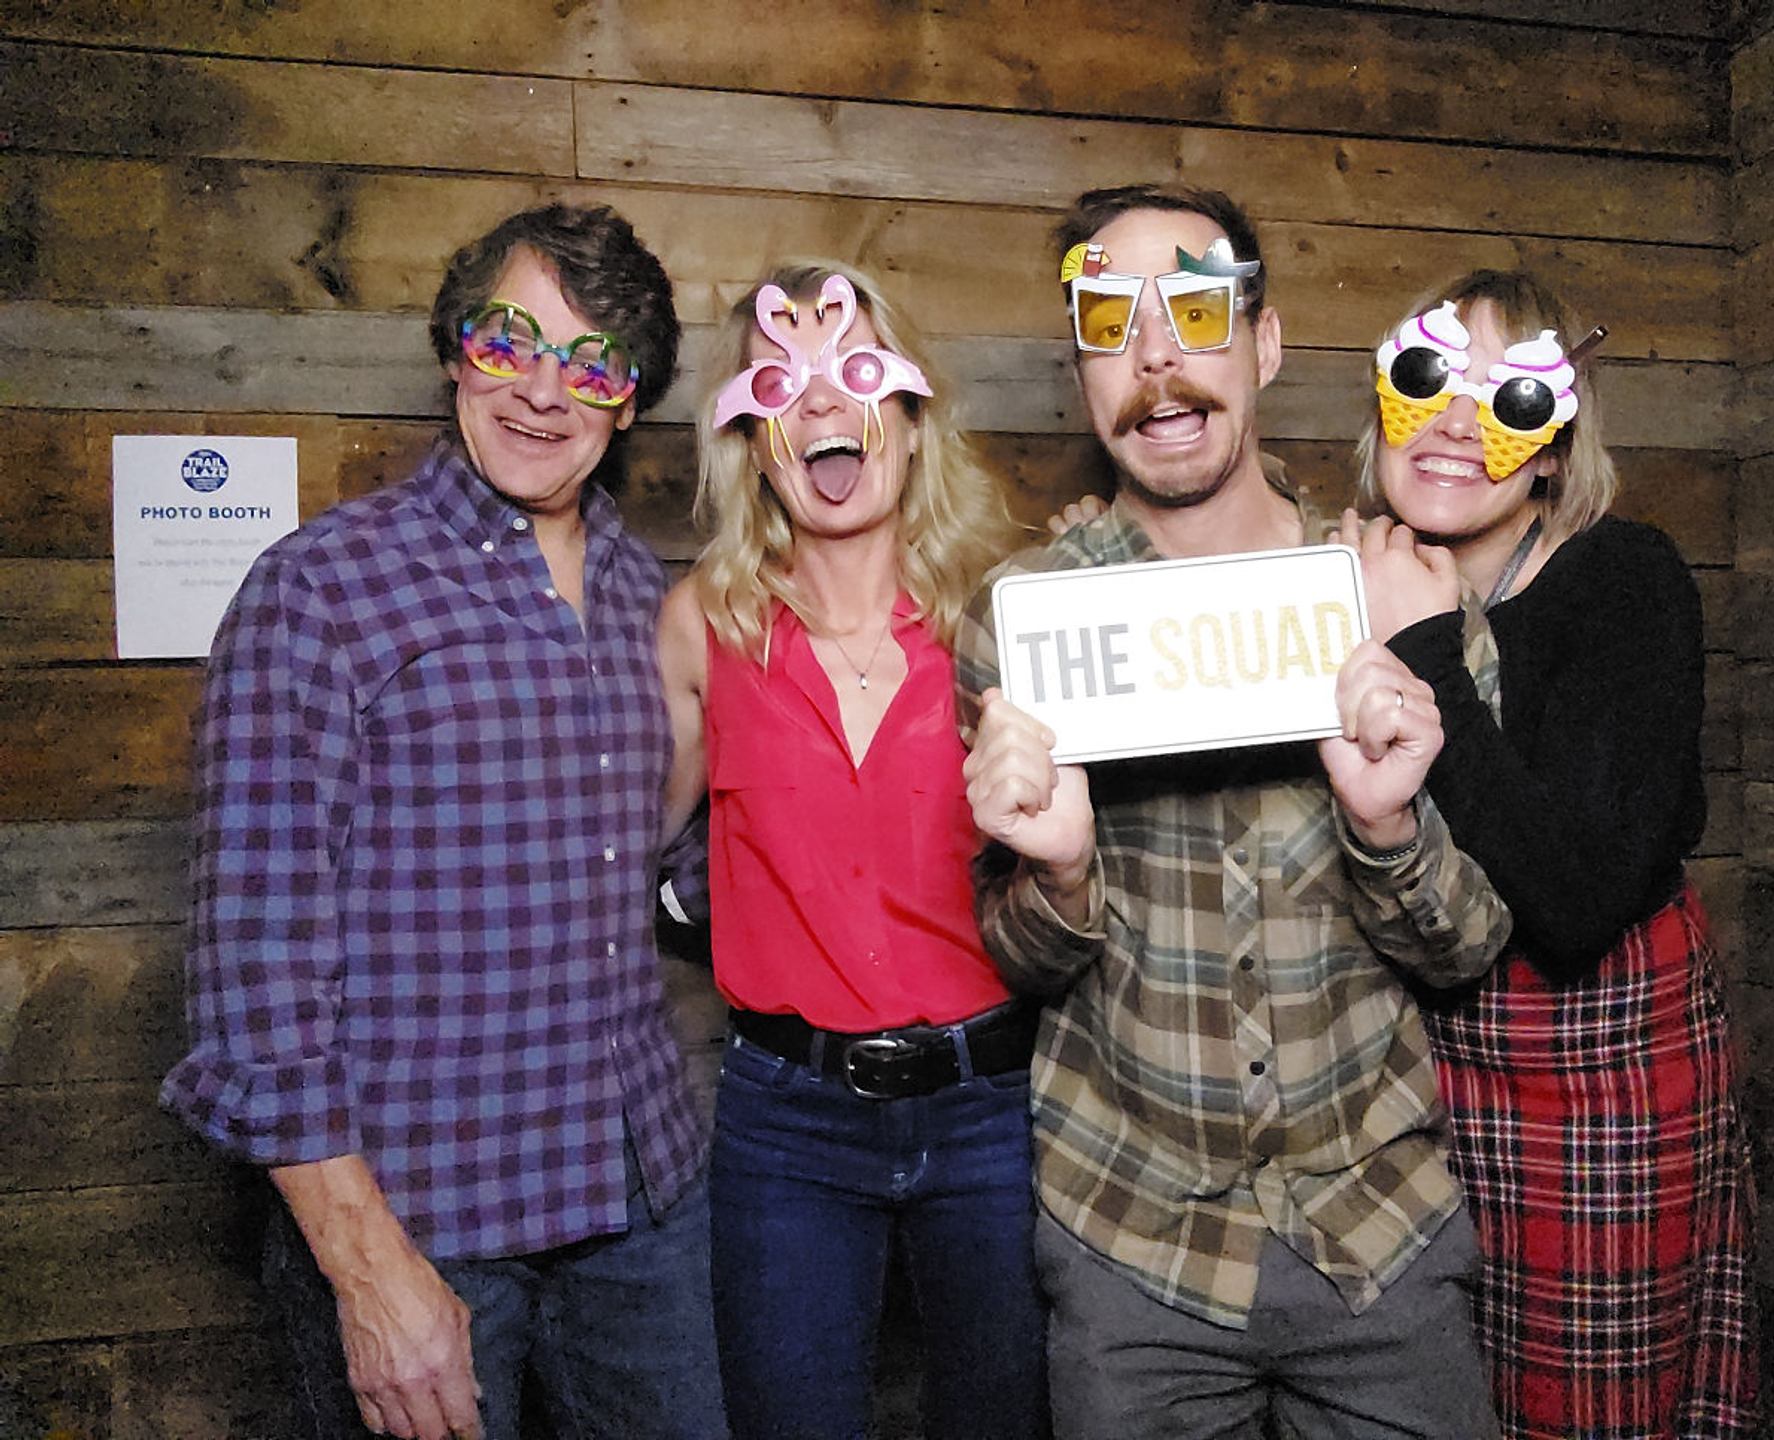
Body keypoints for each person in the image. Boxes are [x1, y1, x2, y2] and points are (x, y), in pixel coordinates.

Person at [160, 203, 726, 1440]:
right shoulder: (322, 589)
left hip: (643, 1207)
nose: (541, 392)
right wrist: (367, 1274)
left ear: (629, 399)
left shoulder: (660, 602)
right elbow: (251, 982)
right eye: (505, 344)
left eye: (590, 363)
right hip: (423, 1224)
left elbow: (685, 871)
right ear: (453, 350)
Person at [956, 181, 1511, 1439]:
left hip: (1379, 1237)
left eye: (1196, 309)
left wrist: (1388, 832)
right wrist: (1054, 874)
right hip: (1130, 1247)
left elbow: (1469, 947)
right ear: (1085, 372)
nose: (1155, 356)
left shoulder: (1394, 598)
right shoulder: (1026, 620)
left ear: (1264, 342)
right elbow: (1020, 959)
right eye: (1111, 323)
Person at [1349, 270, 1757, 1437]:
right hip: (1422, 1065)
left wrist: (1424, 648)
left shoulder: (1624, 580)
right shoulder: (1338, 581)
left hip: (1597, 1062)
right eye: (1427, 380)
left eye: (1508, 401)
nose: (1455, 426)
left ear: (1550, 449)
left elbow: (1577, 898)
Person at [656, 261, 1048, 1440]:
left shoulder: (1010, 608)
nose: (823, 406)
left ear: (914, 424)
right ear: (753, 444)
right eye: (783, 385)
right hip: (789, 1122)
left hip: (995, 1110)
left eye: (857, 371)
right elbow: (619, 840)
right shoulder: (700, 626)